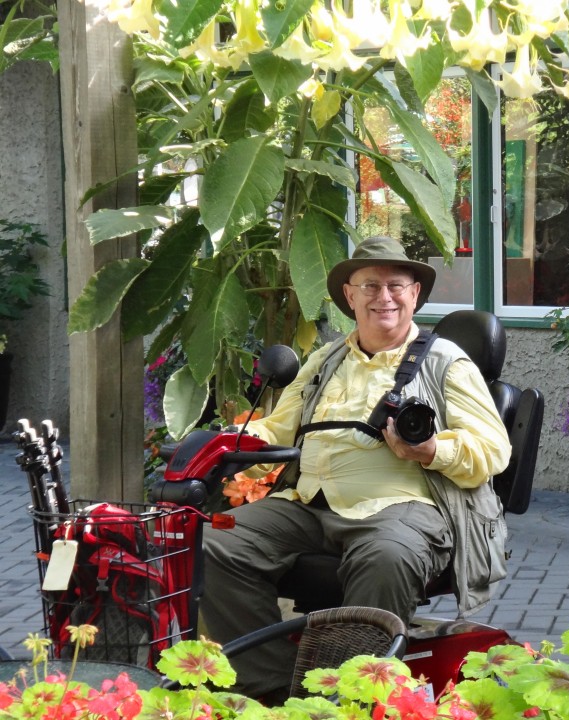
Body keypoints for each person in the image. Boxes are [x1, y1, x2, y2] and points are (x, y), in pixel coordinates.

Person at [200, 236, 511, 698]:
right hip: (306, 502)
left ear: (414, 295)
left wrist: (430, 449)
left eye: (395, 285)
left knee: (388, 556)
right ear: (349, 296)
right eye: (369, 286)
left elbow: (492, 450)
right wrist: (225, 440)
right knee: (212, 540)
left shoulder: (446, 362)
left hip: (402, 505)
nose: (383, 297)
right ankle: (272, 687)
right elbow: (278, 428)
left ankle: (350, 698)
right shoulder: (325, 360)